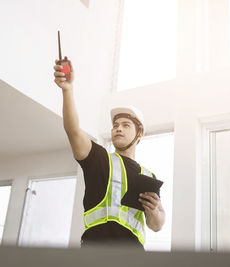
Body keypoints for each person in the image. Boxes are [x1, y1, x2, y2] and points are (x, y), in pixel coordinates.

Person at [53, 58, 165, 250]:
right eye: (115, 125)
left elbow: (157, 225)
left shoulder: (148, 177)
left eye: (125, 125)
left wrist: (154, 211)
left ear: (139, 134)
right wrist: (67, 89)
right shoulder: (99, 159)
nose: (118, 129)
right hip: (96, 251)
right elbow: (73, 131)